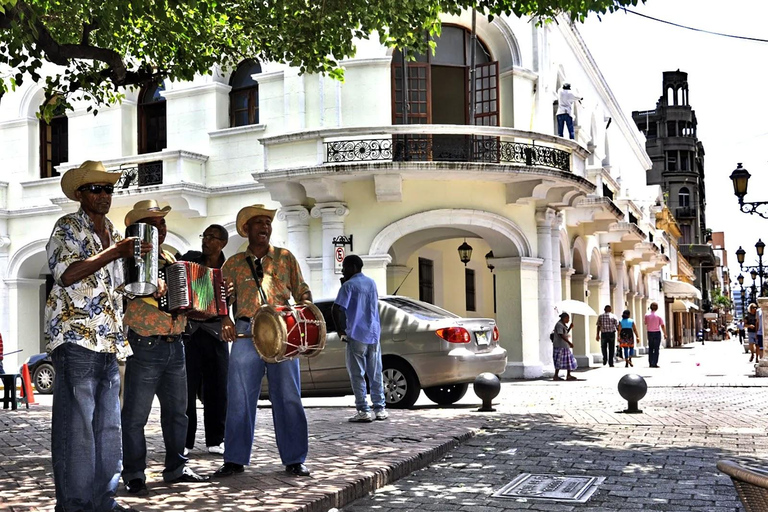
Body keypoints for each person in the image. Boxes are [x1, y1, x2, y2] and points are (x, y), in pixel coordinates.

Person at [45, 160, 149, 512]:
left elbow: (117, 289)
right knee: (77, 429)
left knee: (108, 428)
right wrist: (116, 252)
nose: (104, 195)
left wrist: (151, 284)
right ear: (79, 194)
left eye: (108, 189)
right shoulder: (67, 228)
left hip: (110, 341)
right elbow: (68, 274)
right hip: (75, 340)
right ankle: (74, 504)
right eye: (96, 189)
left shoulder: (115, 234)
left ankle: (104, 500)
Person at [215, 204, 313, 478]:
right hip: (247, 331)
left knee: (289, 396)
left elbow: (303, 292)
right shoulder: (232, 264)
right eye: (258, 222)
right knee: (239, 398)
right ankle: (234, 459)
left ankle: (295, 459)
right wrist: (225, 321)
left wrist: (303, 314)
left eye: (267, 222)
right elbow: (222, 300)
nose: (264, 227)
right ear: (246, 230)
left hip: (282, 333)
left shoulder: (285, 258)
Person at [121, 200, 209, 496]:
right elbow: (129, 287)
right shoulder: (129, 256)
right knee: (135, 416)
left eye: (162, 223)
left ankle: (176, 468)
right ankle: (134, 473)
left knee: (178, 413)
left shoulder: (171, 258)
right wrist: (153, 283)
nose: (161, 227)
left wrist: (207, 298)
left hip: (176, 345)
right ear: (140, 228)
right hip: (145, 343)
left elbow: (188, 300)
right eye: (154, 223)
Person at [180, 224, 230, 456]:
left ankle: (216, 439)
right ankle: (186, 441)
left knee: (217, 389)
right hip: (190, 332)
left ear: (222, 243)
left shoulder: (229, 268)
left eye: (212, 237)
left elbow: (235, 299)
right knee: (186, 390)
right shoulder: (190, 260)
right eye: (205, 236)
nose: (206, 240)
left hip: (216, 334)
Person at [332, 254, 387, 423]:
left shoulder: (348, 286)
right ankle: (380, 409)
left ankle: (363, 410)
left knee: (357, 374)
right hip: (373, 333)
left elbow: (337, 309)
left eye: (345, 267)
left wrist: (341, 331)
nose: (343, 270)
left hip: (356, 334)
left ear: (353, 267)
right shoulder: (371, 283)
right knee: (375, 372)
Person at [552, 313, 578, 381]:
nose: (568, 320)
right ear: (564, 318)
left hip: (564, 346)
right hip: (560, 346)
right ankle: (556, 375)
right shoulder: (559, 325)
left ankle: (568, 375)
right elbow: (561, 335)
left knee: (569, 360)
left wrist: (569, 327)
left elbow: (565, 333)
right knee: (559, 361)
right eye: (567, 318)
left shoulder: (563, 325)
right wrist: (569, 343)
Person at [644, 302, 667, 368]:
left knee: (651, 348)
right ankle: (655, 363)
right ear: (657, 308)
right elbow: (662, 325)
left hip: (649, 332)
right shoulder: (659, 315)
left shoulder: (647, 315)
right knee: (656, 348)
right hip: (657, 332)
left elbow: (645, 323)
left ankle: (650, 362)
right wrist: (665, 333)